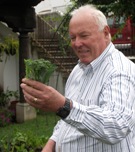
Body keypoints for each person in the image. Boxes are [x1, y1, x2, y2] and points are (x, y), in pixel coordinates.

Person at [20, 4, 135, 152]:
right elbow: (68, 121)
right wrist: (51, 144)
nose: (77, 43)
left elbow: (115, 126)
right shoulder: (79, 69)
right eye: (72, 37)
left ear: (106, 33)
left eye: (84, 35)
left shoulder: (119, 71)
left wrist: (62, 106)